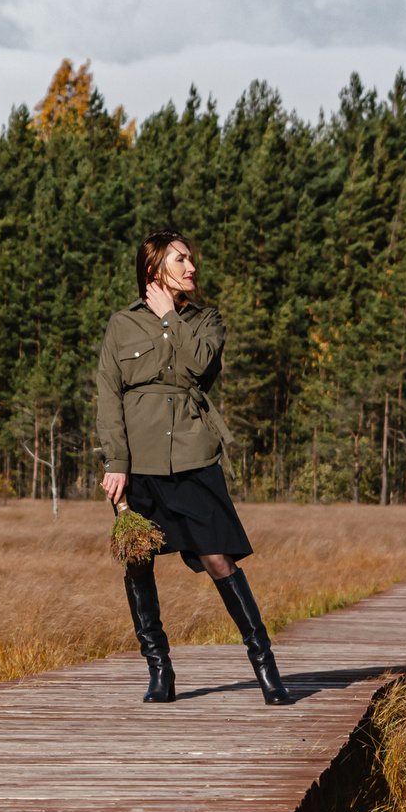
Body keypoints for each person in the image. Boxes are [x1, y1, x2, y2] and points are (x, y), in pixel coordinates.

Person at [93, 231, 293, 706]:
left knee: (218, 558)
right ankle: (159, 670)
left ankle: (265, 666)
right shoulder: (121, 325)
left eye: (191, 259)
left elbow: (200, 368)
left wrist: (168, 319)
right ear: (155, 268)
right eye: (181, 260)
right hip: (137, 465)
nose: (192, 267)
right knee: (137, 561)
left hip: (193, 457)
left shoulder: (206, 321)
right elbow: (108, 397)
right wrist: (116, 463)